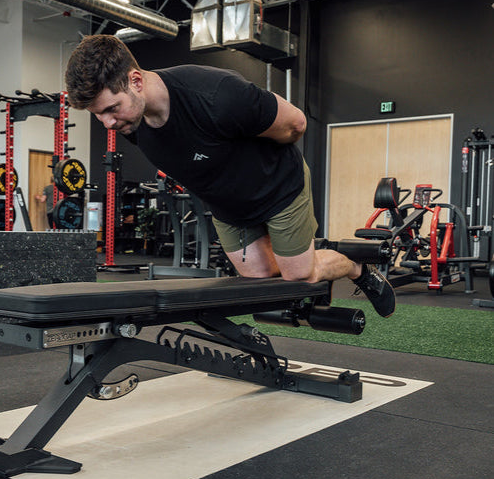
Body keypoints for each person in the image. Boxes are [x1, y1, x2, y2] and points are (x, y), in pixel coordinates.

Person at [64, 35, 395, 317]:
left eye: (111, 109)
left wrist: (258, 165)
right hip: (228, 208)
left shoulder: (216, 94)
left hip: (277, 188)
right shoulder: (132, 123)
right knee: (258, 278)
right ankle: (304, 249)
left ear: (136, 81)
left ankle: (356, 267)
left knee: (298, 276)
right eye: (98, 115)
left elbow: (295, 124)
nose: (107, 123)